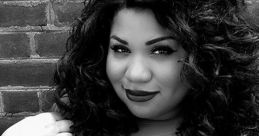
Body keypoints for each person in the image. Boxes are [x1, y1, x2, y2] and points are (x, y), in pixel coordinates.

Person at [2, 0, 259, 136]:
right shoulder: (72, 123)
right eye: (121, 49)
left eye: (162, 51)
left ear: (206, 57)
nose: (135, 74)